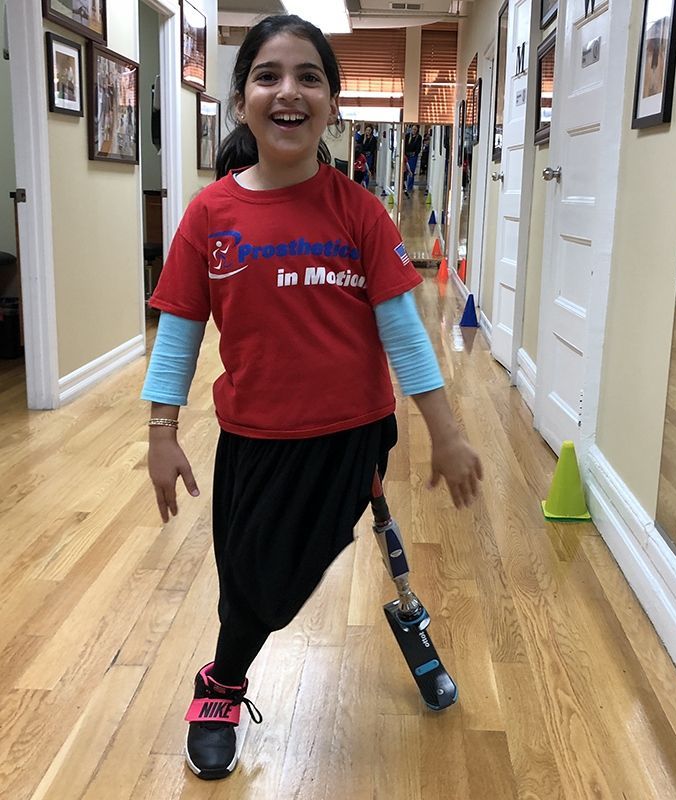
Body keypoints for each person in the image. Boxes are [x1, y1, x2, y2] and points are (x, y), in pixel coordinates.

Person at [141, 14, 482, 782]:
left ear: (332, 105)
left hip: (351, 433)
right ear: (240, 103)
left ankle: (220, 689)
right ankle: (224, 682)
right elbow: (179, 334)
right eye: (268, 75)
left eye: (309, 77)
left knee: (282, 579)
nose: (287, 91)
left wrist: (447, 432)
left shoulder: (358, 211)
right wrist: (162, 431)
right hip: (254, 436)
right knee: (254, 576)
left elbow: (402, 333)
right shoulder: (209, 215)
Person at [404, 124, 422, 195]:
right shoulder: (407, 136)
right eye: (413, 129)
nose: (413, 131)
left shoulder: (419, 137)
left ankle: (409, 187)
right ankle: (404, 186)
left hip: (413, 156)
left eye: (415, 129)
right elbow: (405, 145)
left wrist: (415, 153)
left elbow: (418, 147)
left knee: (411, 170)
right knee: (405, 171)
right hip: (406, 155)